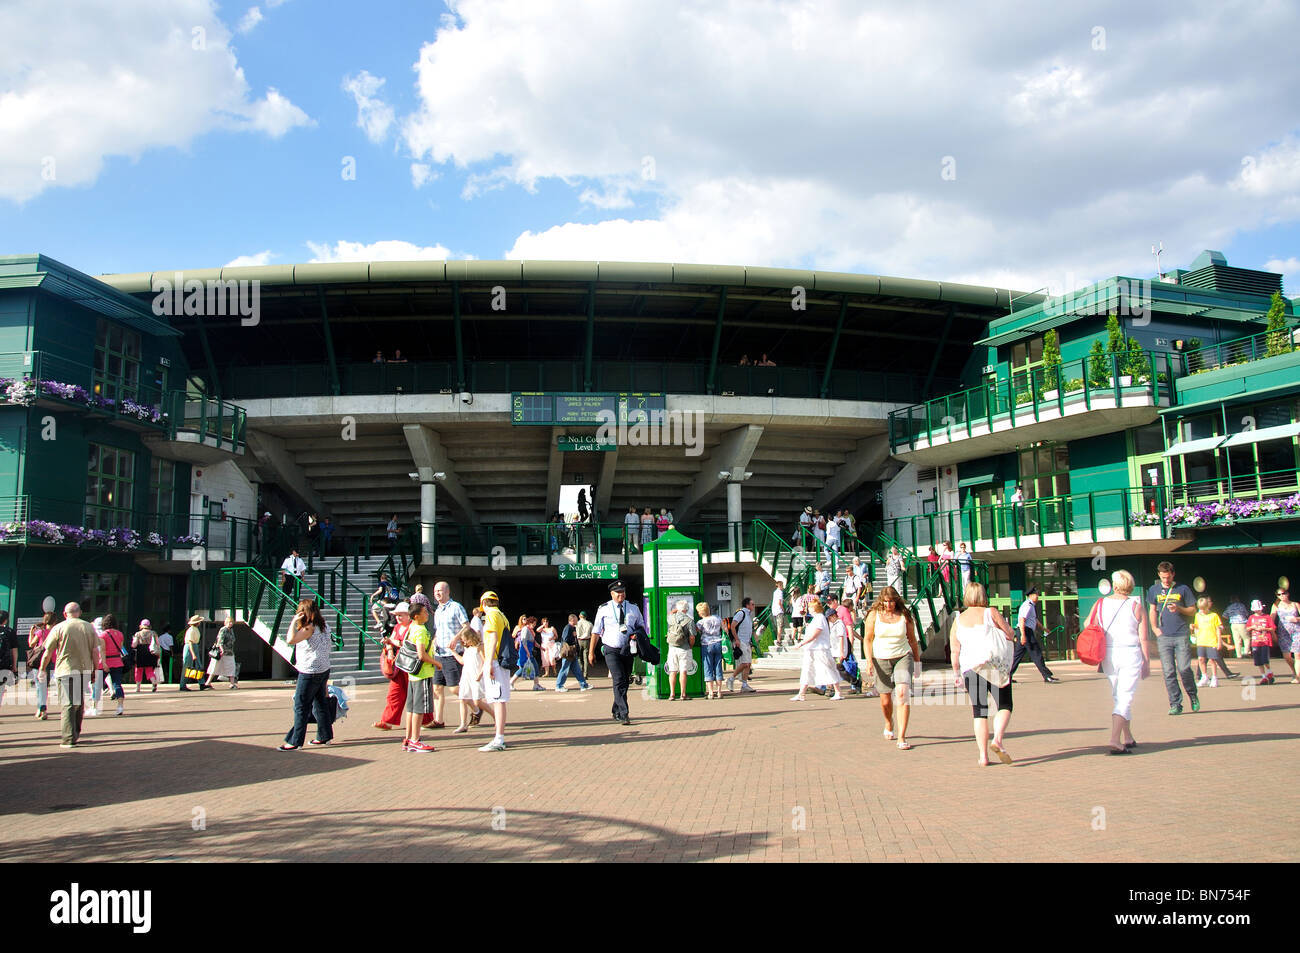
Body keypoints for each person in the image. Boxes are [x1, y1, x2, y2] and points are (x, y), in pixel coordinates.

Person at [950, 582, 1017, 766]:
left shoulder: (958, 620)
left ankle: (983, 756)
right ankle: (997, 740)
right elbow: (1009, 633)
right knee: (1004, 704)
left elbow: (954, 651)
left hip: (970, 668)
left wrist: (956, 673)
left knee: (979, 711)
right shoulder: (991, 612)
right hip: (993, 665)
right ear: (983, 595)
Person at [1097, 570, 1150, 754]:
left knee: (1118, 695)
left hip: (1108, 654)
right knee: (1125, 697)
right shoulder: (1136, 606)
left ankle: (1127, 736)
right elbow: (1143, 638)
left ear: (1115, 585)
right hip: (1130, 652)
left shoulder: (1101, 603)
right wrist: (1147, 661)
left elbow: (1089, 625)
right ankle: (1114, 739)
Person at [863, 586, 921, 749]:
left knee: (902, 693)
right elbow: (867, 639)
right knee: (885, 700)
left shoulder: (904, 616)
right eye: (886, 602)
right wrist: (868, 660)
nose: (889, 605)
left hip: (903, 656)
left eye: (892, 602)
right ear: (881, 601)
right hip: (881, 657)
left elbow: (913, 640)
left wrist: (917, 662)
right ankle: (889, 722)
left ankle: (901, 737)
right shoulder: (874, 616)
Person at [39, 603, 101, 748]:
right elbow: (94, 651)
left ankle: (68, 738)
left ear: (65, 614)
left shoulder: (59, 628)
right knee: (78, 703)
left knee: (67, 704)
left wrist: (42, 668)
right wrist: (96, 669)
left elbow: (48, 652)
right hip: (83, 669)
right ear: (79, 612)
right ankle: (75, 733)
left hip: (65, 669)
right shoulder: (88, 627)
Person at [278, 600, 335, 750]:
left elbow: (291, 639)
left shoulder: (309, 627)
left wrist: (293, 622)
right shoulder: (324, 626)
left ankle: (295, 741)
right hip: (323, 668)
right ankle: (324, 735)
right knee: (320, 702)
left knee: (301, 705)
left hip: (310, 671)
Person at [590, 580, 647, 725]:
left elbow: (641, 625)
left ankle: (616, 709)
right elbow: (596, 631)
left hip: (628, 648)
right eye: (618, 593)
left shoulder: (633, 607)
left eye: (623, 592)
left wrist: (637, 634)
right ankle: (624, 713)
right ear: (612, 594)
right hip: (611, 648)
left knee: (625, 680)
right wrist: (591, 652)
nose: (621, 595)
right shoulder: (604, 609)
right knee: (619, 678)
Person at [1147, 561, 1199, 715]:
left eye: (1168, 577)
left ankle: (1192, 694)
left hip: (1181, 634)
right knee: (1168, 671)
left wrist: (1179, 608)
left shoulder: (1183, 589)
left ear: (1173, 574)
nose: (1166, 581)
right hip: (1164, 636)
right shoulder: (1153, 590)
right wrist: (1155, 628)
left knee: (1184, 668)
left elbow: (1192, 610)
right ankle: (1175, 703)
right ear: (1159, 575)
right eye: (1163, 578)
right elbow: (1152, 610)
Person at [399, 593, 441, 753]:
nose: (427, 614)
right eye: (424, 612)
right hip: (422, 674)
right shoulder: (421, 630)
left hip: (412, 674)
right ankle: (415, 740)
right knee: (419, 709)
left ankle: (408, 738)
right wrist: (437, 663)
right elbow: (421, 654)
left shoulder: (411, 627)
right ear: (417, 616)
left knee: (410, 708)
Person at [476, 591, 512, 751]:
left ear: (484, 603)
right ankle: (499, 737)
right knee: (500, 700)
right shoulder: (502, 616)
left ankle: (499, 738)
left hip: (496, 661)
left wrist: (488, 663)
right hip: (502, 662)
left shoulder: (491, 616)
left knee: (497, 700)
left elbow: (492, 639)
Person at [789, 597, 845, 701]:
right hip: (812, 649)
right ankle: (801, 693)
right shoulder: (816, 618)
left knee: (828, 669)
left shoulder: (819, 618)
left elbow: (815, 634)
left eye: (810, 607)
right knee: (807, 670)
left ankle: (838, 692)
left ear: (814, 608)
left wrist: (801, 643)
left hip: (820, 649)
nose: (808, 609)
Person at [430, 580, 468, 728]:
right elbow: (437, 630)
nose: (437, 594)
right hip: (439, 653)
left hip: (453, 653)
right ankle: (438, 720)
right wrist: (434, 641)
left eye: (440, 591)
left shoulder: (456, 607)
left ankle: (476, 707)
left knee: (455, 688)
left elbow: (466, 626)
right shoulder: (437, 611)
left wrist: (456, 638)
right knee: (437, 688)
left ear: (447, 592)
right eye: (435, 592)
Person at [1011, 587, 1058, 683]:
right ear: (1031, 595)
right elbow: (1021, 620)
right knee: (1036, 653)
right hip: (1025, 632)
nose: (1038, 596)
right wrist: (1023, 635)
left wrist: (1044, 628)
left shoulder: (1031, 606)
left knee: (1017, 656)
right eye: (1036, 594)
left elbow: (1034, 620)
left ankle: (1006, 677)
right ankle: (1047, 676)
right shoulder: (1027, 605)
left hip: (1025, 631)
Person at [452, 625, 483, 733]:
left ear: (471, 638)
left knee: (477, 701)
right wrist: (453, 652)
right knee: (463, 699)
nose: (464, 642)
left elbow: (485, 661)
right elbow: (462, 661)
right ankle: (463, 724)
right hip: (466, 676)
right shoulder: (468, 649)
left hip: (475, 677)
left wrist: (482, 673)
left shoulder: (479, 647)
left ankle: (493, 715)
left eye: (465, 640)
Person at [664, 600, 696, 701]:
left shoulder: (671, 618)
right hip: (684, 648)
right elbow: (692, 637)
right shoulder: (689, 621)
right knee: (683, 671)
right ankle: (683, 694)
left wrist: (675, 611)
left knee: (672, 671)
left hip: (672, 648)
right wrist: (691, 646)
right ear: (687, 609)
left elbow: (669, 614)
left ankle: (672, 694)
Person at [1193, 596, 1226, 689]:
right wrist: (1193, 626)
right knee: (1201, 659)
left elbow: (1218, 629)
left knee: (1212, 659)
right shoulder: (1197, 615)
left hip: (1211, 640)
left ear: (1207, 606)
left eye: (1203, 608)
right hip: (1201, 640)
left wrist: (1219, 642)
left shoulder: (1214, 615)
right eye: (1200, 609)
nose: (1202, 610)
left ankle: (1214, 677)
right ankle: (1204, 677)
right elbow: (1197, 626)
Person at [28, 611, 56, 719]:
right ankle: (41, 708)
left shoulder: (41, 632)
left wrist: (31, 633)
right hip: (51, 660)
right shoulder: (56, 632)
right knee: (45, 685)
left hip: (39, 660)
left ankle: (42, 708)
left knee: (40, 686)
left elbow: (31, 644)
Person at [554, 613, 592, 692]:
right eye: (576, 619)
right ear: (572, 620)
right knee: (564, 668)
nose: (577, 620)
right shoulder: (568, 628)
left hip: (572, 652)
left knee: (577, 669)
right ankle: (559, 686)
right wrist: (573, 636)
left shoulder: (573, 627)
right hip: (568, 652)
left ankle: (583, 684)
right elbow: (565, 639)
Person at [99, 614, 128, 716]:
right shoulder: (120, 634)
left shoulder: (102, 635)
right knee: (117, 684)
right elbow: (120, 648)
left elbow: (102, 650)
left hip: (106, 661)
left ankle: (95, 707)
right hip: (117, 661)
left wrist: (103, 663)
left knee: (98, 684)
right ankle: (120, 706)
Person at [727, 597, 757, 693]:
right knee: (744, 663)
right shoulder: (741, 613)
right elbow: (733, 626)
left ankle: (744, 685)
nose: (754, 606)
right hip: (741, 641)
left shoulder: (748, 615)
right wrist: (737, 639)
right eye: (752, 604)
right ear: (747, 605)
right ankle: (731, 678)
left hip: (747, 642)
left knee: (748, 664)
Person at [696, 602, 725, 699]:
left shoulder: (700, 622)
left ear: (700, 613)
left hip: (706, 644)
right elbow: (724, 628)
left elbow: (696, 631)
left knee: (708, 667)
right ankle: (719, 692)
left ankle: (711, 692)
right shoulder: (717, 618)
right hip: (718, 643)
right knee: (718, 666)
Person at [1272, 588, 1300, 683]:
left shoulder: (1295, 604)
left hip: (1297, 631)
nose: (1281, 596)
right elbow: (1272, 619)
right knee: (1287, 656)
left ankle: (1297, 676)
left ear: (1287, 594)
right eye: (1279, 595)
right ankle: (1294, 671)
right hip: (1283, 633)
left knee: (1297, 654)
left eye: (1283, 594)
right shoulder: (1276, 605)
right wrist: (1272, 632)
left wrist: (1297, 619)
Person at [204, 614, 239, 689]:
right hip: (221, 653)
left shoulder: (231, 630)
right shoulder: (223, 629)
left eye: (231, 622)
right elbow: (220, 641)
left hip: (230, 652)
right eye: (229, 622)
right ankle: (208, 683)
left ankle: (232, 684)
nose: (231, 623)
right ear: (225, 622)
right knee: (215, 667)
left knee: (231, 667)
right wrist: (222, 649)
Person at [1247, 600, 1277, 685]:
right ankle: (1264, 676)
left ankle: (1269, 671)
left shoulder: (1267, 617)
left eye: (1258, 609)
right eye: (1256, 610)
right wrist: (1252, 627)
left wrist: (1264, 629)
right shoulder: (1251, 617)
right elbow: (1247, 628)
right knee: (1258, 661)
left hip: (1265, 641)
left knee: (1265, 660)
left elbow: (1272, 628)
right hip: (1255, 642)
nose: (1257, 611)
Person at [180, 614, 208, 692]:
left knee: (198, 666)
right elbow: (190, 642)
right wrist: (193, 654)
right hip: (190, 648)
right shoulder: (191, 630)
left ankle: (202, 683)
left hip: (194, 646)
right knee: (187, 666)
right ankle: (183, 684)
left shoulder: (195, 629)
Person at [132, 620, 160, 693]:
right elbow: (158, 644)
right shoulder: (153, 633)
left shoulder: (138, 634)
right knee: (149, 669)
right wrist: (158, 654)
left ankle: (138, 688)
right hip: (151, 652)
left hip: (140, 653)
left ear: (141, 625)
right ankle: (154, 682)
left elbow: (134, 645)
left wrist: (133, 643)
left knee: (138, 670)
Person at [1224, 594, 1249, 660]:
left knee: (1236, 640)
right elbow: (1246, 613)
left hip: (1233, 624)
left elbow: (1224, 615)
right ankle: (1246, 653)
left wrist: (1230, 617)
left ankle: (1239, 655)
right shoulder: (1241, 605)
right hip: (1241, 623)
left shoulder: (1229, 607)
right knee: (1246, 638)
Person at [0, 611, 16, 709]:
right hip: (4, 665)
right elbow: (14, 650)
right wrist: (14, 665)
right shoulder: (9, 631)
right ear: (6, 620)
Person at [575, 610, 594, 678]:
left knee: (579, 657)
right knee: (586, 657)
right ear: (586, 616)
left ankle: (580, 670)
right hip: (586, 641)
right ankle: (585, 674)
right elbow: (592, 634)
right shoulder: (589, 624)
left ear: (580, 616)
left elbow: (574, 633)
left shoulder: (576, 624)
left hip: (579, 641)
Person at [770, 581, 786, 648]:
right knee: (780, 625)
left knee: (777, 625)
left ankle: (778, 638)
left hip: (774, 610)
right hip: (779, 610)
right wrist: (783, 609)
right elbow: (779, 602)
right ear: (780, 585)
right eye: (782, 585)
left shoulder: (775, 592)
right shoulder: (780, 592)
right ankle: (778, 640)